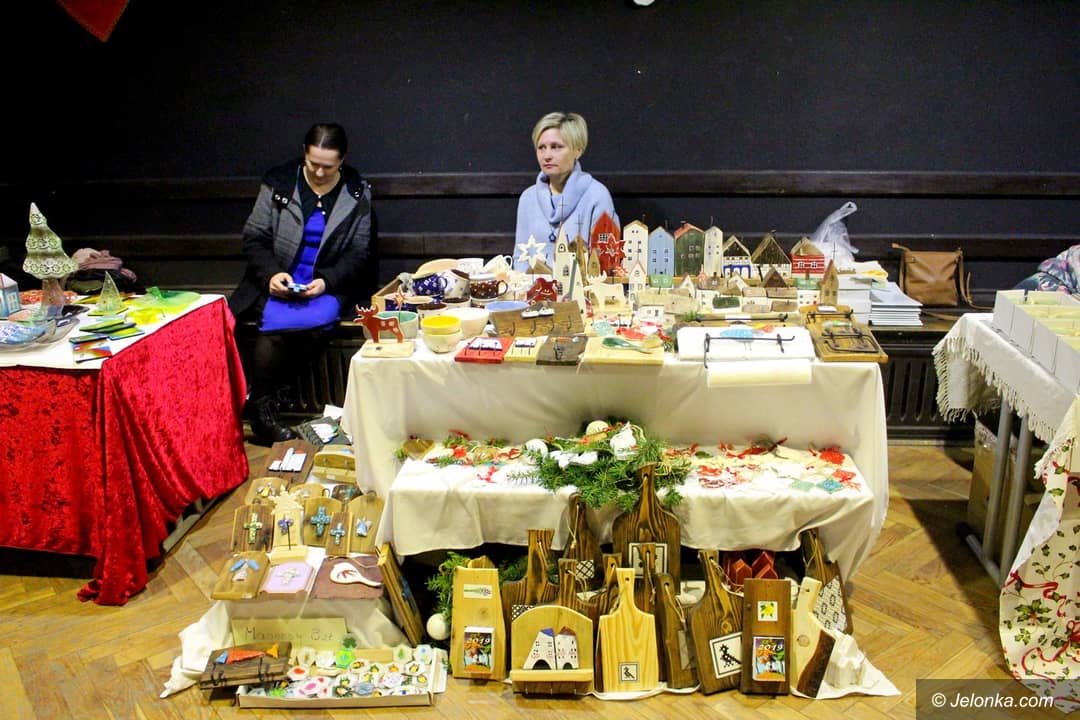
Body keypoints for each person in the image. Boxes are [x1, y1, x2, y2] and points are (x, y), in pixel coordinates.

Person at [229, 122, 376, 445]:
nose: (319, 173)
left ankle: (261, 401)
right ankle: (264, 408)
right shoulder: (279, 183)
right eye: (313, 164)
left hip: (326, 284)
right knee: (276, 325)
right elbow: (254, 238)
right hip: (278, 280)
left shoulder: (356, 193)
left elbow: (359, 253)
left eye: (328, 166)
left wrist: (326, 281)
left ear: (342, 161)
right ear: (304, 155)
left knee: (318, 321)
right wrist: (271, 275)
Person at [514, 112, 618, 271]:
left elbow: (605, 258)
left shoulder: (597, 196)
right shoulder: (528, 198)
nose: (547, 156)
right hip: (533, 285)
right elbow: (520, 258)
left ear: (578, 150)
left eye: (556, 147)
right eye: (541, 148)